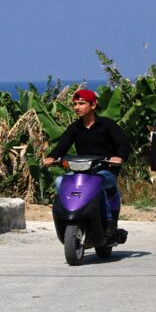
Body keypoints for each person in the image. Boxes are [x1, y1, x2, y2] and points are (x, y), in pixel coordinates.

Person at [43, 89, 130, 235]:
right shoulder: (74, 128)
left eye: (82, 104)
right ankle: (67, 215)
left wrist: (119, 158)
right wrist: (52, 158)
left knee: (98, 183)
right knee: (59, 181)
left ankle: (109, 222)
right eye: (75, 104)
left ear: (93, 105)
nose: (77, 107)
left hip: (106, 170)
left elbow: (123, 144)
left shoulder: (107, 125)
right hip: (81, 172)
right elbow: (62, 146)